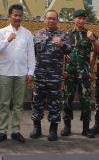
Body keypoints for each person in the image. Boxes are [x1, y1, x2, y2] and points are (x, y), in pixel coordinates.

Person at [0, 4, 35, 143]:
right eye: (15, 15)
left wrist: (30, 72)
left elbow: (31, 55)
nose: (17, 18)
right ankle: (2, 131)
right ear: (9, 16)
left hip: (21, 73)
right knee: (4, 103)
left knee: (18, 104)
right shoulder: (2, 32)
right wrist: (8, 39)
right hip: (5, 72)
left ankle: (16, 130)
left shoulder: (27, 34)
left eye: (20, 15)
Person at [30, 10, 71, 141]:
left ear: (57, 20)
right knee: (37, 101)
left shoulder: (63, 35)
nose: (51, 21)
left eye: (54, 19)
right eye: (48, 18)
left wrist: (62, 44)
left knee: (55, 102)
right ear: (44, 20)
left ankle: (53, 129)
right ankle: (37, 127)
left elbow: (70, 50)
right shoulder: (37, 35)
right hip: (40, 75)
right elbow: (31, 55)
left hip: (55, 76)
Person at [61, 9, 99, 138]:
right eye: (79, 18)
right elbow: (62, 53)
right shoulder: (66, 34)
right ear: (74, 19)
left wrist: (93, 39)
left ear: (86, 20)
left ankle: (86, 128)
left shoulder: (89, 34)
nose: (81, 20)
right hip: (70, 72)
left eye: (83, 18)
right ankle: (67, 127)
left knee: (85, 100)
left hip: (84, 73)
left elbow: (97, 51)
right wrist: (63, 70)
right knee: (67, 99)